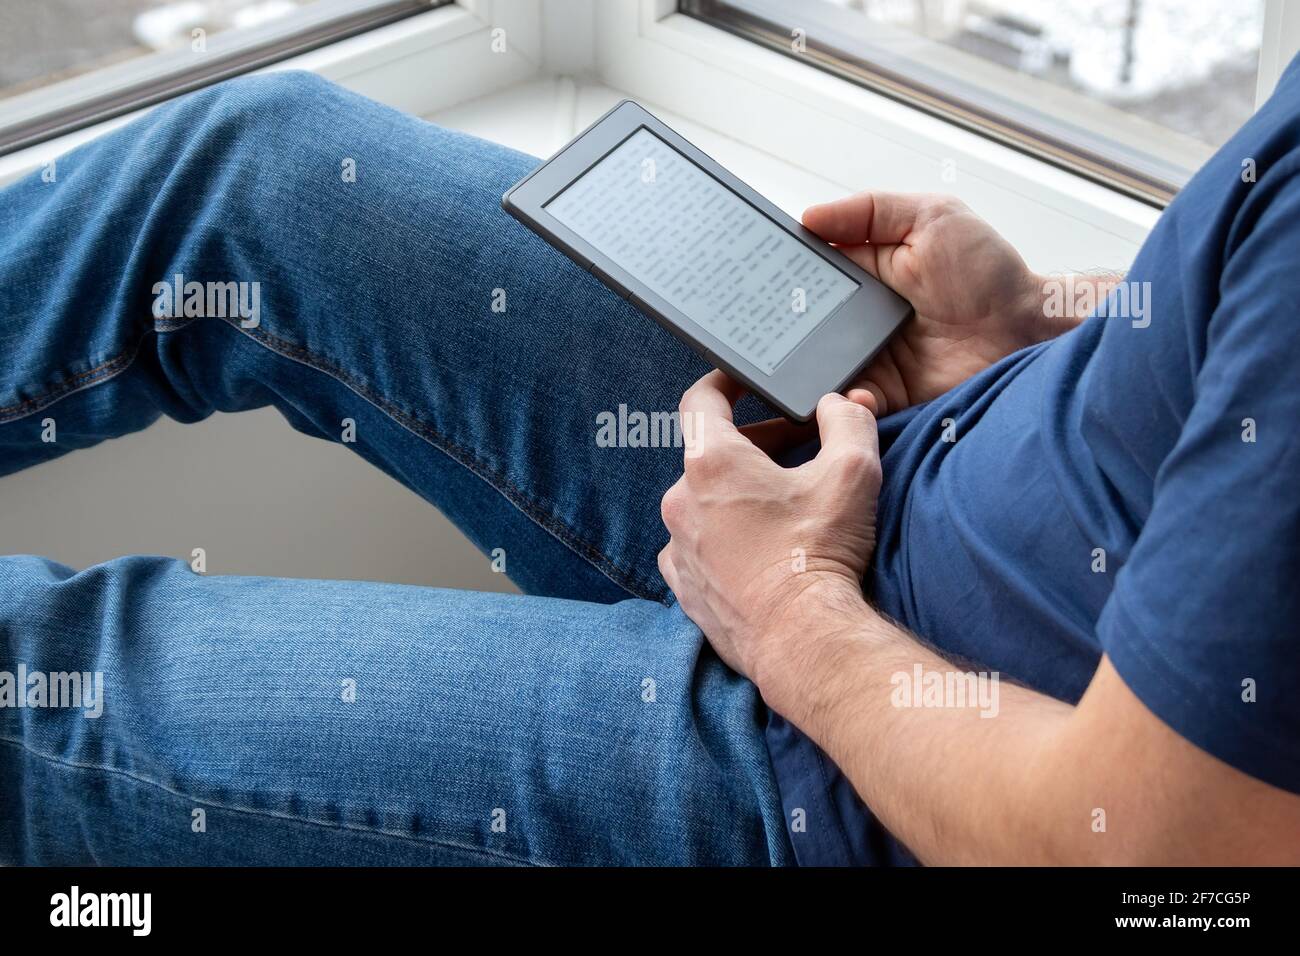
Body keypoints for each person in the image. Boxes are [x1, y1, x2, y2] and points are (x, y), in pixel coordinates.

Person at [0, 65, 1296, 867]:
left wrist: (790, 620)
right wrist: (1046, 321)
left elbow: (1160, 854)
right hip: (892, 455)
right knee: (257, 166)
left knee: (36, 684)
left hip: (870, 767)